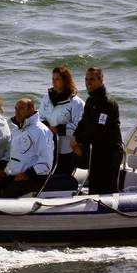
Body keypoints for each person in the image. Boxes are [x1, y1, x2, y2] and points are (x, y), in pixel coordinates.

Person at [71, 67, 123, 195]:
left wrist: (79, 140)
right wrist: (75, 137)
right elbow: (83, 123)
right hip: (97, 151)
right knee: (94, 189)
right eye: (86, 79)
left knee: (107, 190)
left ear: (101, 80)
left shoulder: (108, 103)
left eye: (92, 79)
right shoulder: (90, 100)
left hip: (110, 153)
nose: (88, 83)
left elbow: (99, 130)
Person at [0, 98, 54, 198]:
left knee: (7, 194)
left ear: (31, 109)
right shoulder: (16, 131)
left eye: (21, 109)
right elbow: (8, 154)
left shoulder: (41, 131)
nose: (17, 112)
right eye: (16, 109)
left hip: (32, 178)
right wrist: (0, 168)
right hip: (13, 175)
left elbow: (46, 163)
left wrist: (26, 175)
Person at [39, 65, 85, 175]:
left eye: (57, 79)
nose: (54, 82)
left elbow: (80, 127)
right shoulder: (46, 99)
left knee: (61, 177)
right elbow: (40, 117)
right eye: (53, 79)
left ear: (65, 81)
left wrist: (59, 129)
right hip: (48, 147)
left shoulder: (76, 103)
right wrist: (46, 127)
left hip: (67, 149)